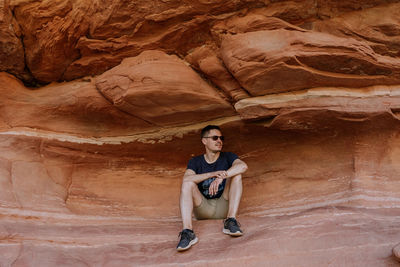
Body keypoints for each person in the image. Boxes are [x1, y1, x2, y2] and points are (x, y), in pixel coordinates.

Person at [176, 125, 248, 251]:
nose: (219, 141)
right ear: (204, 141)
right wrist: (212, 174)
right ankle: (188, 232)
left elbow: (242, 166)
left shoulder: (228, 156)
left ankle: (230, 221)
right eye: (215, 138)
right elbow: (186, 179)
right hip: (203, 208)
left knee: (236, 176)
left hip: (223, 206)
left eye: (221, 138)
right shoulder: (196, 161)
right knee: (188, 184)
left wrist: (222, 176)